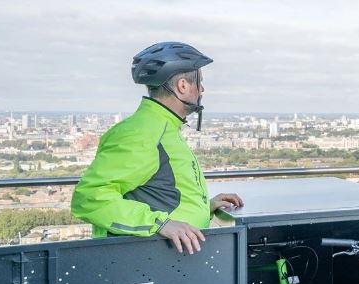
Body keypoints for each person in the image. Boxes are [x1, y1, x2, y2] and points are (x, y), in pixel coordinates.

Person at [71, 41, 242, 254]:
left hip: (174, 260)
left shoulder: (164, 128)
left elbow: (158, 194)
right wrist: (160, 224)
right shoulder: (141, 133)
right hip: (152, 262)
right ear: (183, 86)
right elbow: (89, 199)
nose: (203, 89)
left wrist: (204, 207)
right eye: (200, 82)